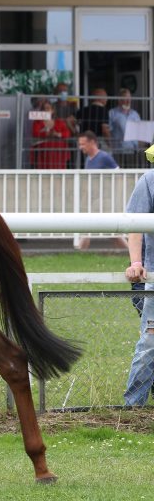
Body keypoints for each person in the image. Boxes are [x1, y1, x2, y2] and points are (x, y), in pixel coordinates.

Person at [123, 156, 154, 406]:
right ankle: (134, 405)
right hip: (153, 275)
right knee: (150, 342)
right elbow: (135, 225)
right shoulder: (149, 180)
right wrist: (136, 262)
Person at [76, 131, 124, 250]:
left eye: (83, 144)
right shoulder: (88, 159)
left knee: (88, 228)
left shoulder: (104, 157)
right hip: (95, 200)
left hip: (104, 200)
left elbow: (119, 174)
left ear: (92, 142)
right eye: (80, 144)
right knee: (112, 233)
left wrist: (115, 194)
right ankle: (130, 254)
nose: (81, 147)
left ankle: (79, 253)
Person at [31, 100, 72, 169]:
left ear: (52, 111)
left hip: (58, 154)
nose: (45, 110)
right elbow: (35, 133)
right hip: (43, 155)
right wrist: (47, 134)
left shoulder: (59, 122)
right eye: (43, 109)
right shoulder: (37, 122)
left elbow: (67, 133)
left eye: (48, 108)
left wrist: (58, 134)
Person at [109, 88, 142, 167]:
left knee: (132, 171)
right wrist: (111, 145)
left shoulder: (135, 114)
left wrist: (139, 146)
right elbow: (108, 130)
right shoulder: (113, 113)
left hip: (133, 149)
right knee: (119, 172)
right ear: (119, 100)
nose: (128, 101)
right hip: (119, 149)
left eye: (129, 98)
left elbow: (139, 131)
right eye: (125, 98)